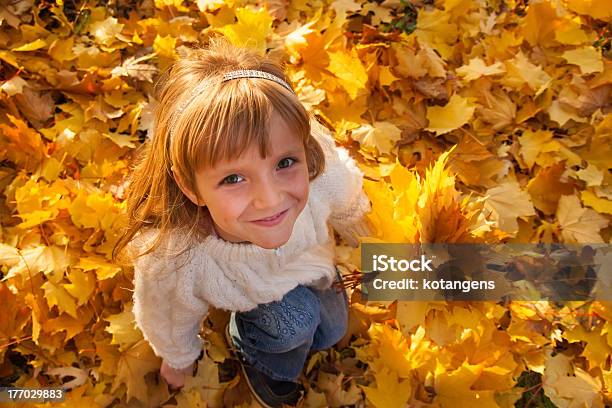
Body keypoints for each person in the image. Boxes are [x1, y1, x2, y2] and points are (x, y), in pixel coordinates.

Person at [112, 36, 374, 408]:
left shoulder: (318, 171)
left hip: (312, 267)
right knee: (292, 324)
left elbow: (349, 201)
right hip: (258, 299)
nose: (270, 198)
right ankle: (261, 359)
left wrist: (377, 242)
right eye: (233, 179)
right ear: (192, 188)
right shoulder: (178, 254)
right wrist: (179, 359)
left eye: (284, 163)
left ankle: (299, 328)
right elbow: (166, 312)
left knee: (330, 331)